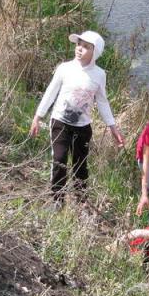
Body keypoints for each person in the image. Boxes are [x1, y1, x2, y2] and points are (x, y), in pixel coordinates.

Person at [29, 30, 124, 206]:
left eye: (86, 47)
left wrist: (113, 128)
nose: (80, 49)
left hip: (83, 127)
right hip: (59, 122)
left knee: (80, 165)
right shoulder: (64, 68)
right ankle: (58, 200)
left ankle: (82, 202)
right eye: (78, 44)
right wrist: (38, 116)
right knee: (59, 159)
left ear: (94, 53)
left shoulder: (99, 75)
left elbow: (102, 102)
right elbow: (51, 93)